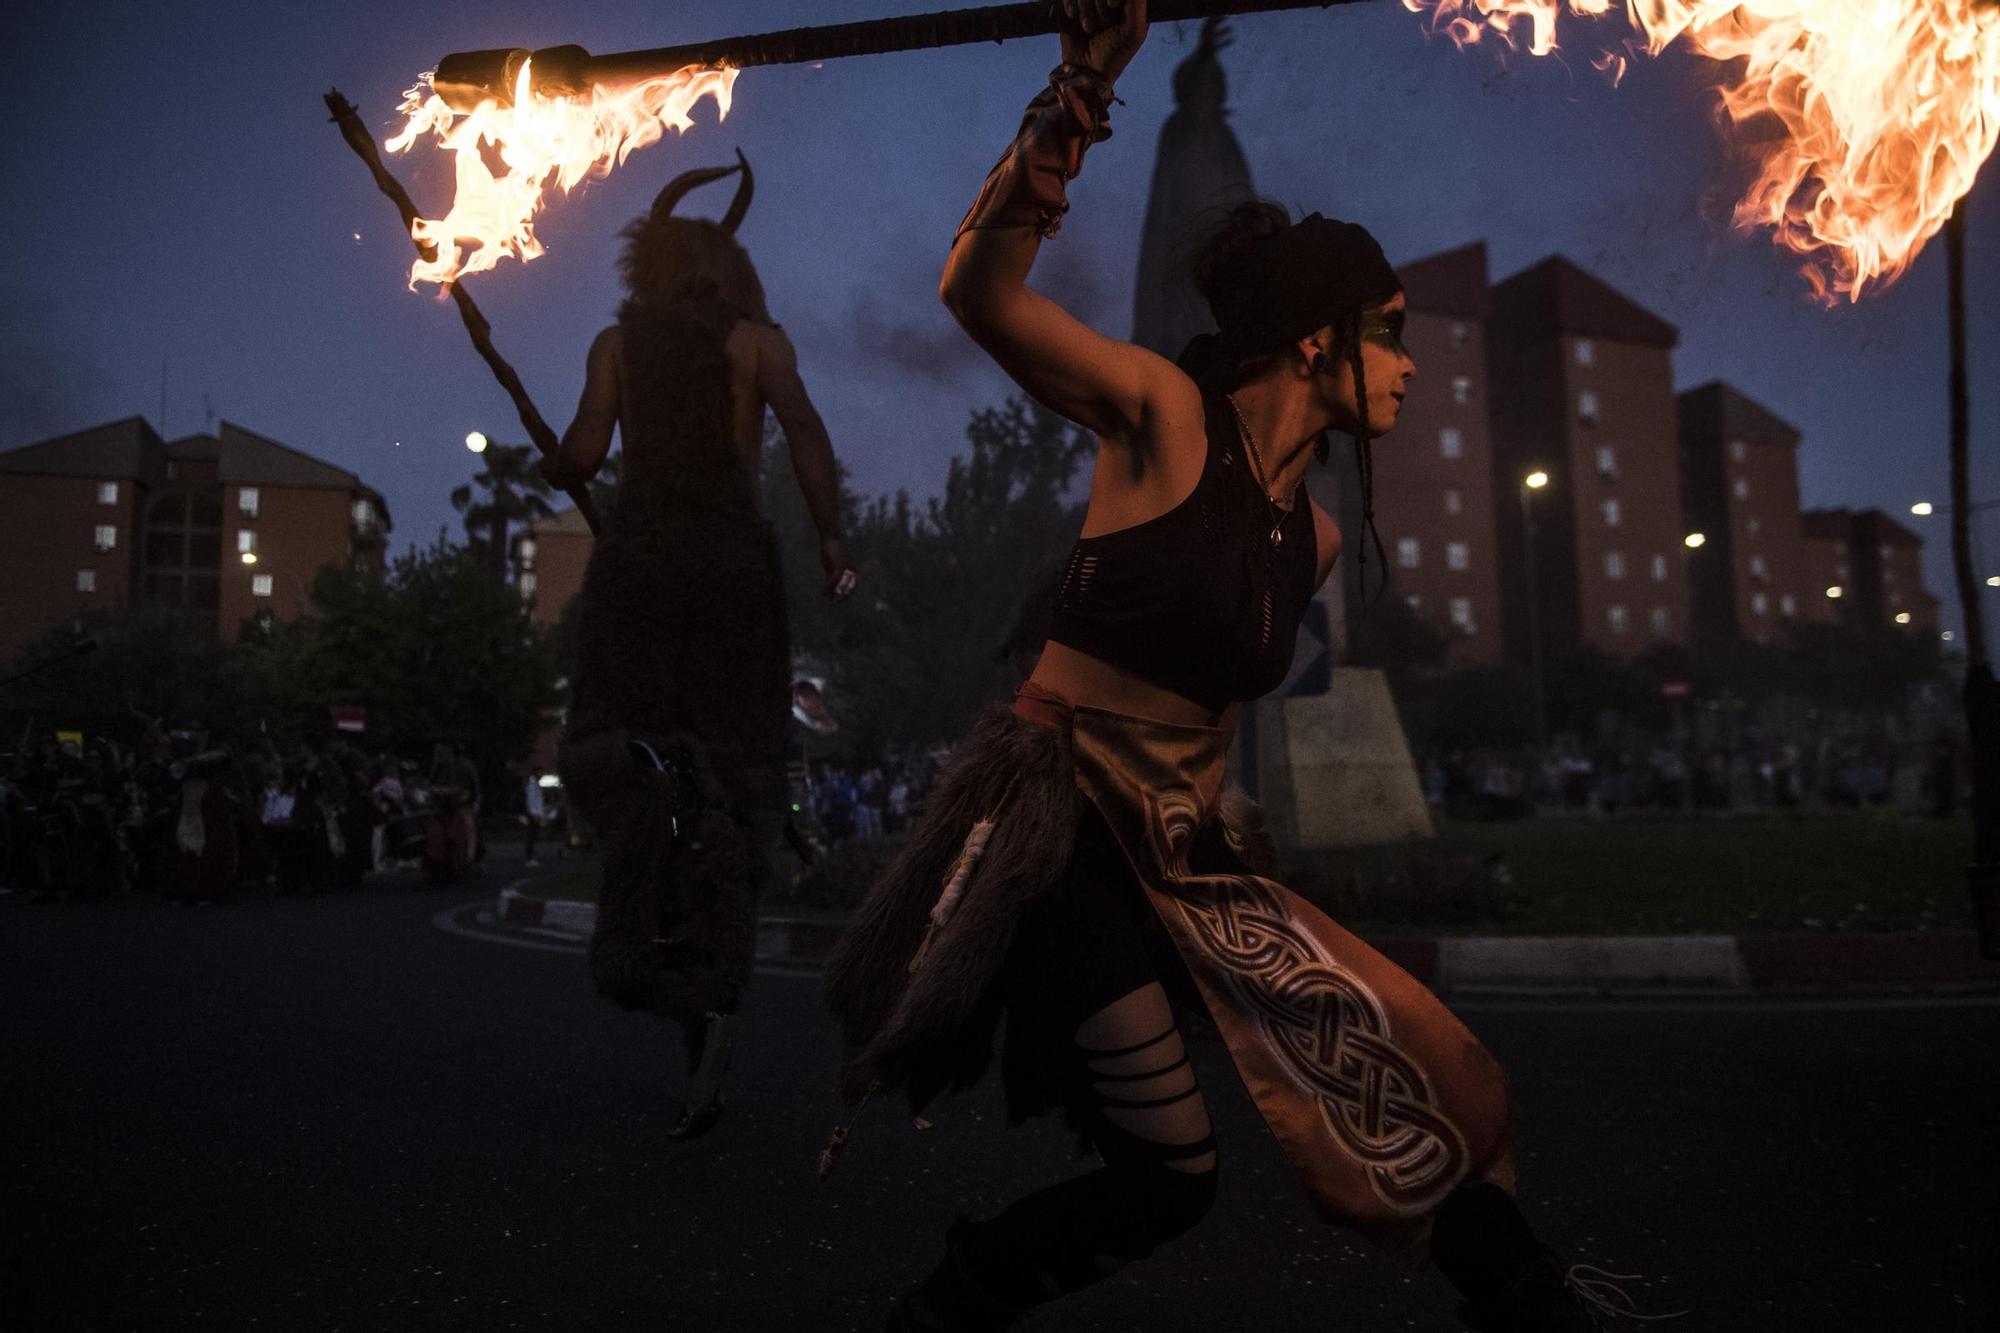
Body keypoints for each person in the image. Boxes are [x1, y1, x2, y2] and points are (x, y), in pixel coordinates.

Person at [824, 6, 1642, 1330]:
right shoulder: (1159, 417)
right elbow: (976, 295)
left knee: (1389, 1064)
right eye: (1389, 330)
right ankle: (940, 1312)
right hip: (1060, 830)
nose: (1413, 363)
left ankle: (1545, 1313)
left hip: (1185, 851)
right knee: (1175, 1171)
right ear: (1315, 340)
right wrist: (1080, 87)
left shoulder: (1313, 536)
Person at [541, 153, 857, 1141]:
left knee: (623, 752)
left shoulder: (614, 345)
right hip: (731, 572)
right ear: (721, 269)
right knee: (734, 770)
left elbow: (583, 455)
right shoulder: (760, 345)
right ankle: (711, 976)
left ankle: (658, 957)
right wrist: (832, 538)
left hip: (639, 566)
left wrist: (558, 457)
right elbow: (804, 435)